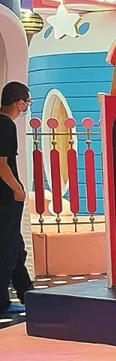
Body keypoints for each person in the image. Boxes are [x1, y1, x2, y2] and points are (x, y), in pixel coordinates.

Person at [0, 81, 34, 314]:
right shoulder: (6, 126)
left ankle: (27, 292)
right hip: (6, 197)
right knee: (8, 249)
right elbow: (2, 164)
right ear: (19, 103)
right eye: (27, 103)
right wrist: (17, 189)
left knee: (16, 246)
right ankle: (2, 302)